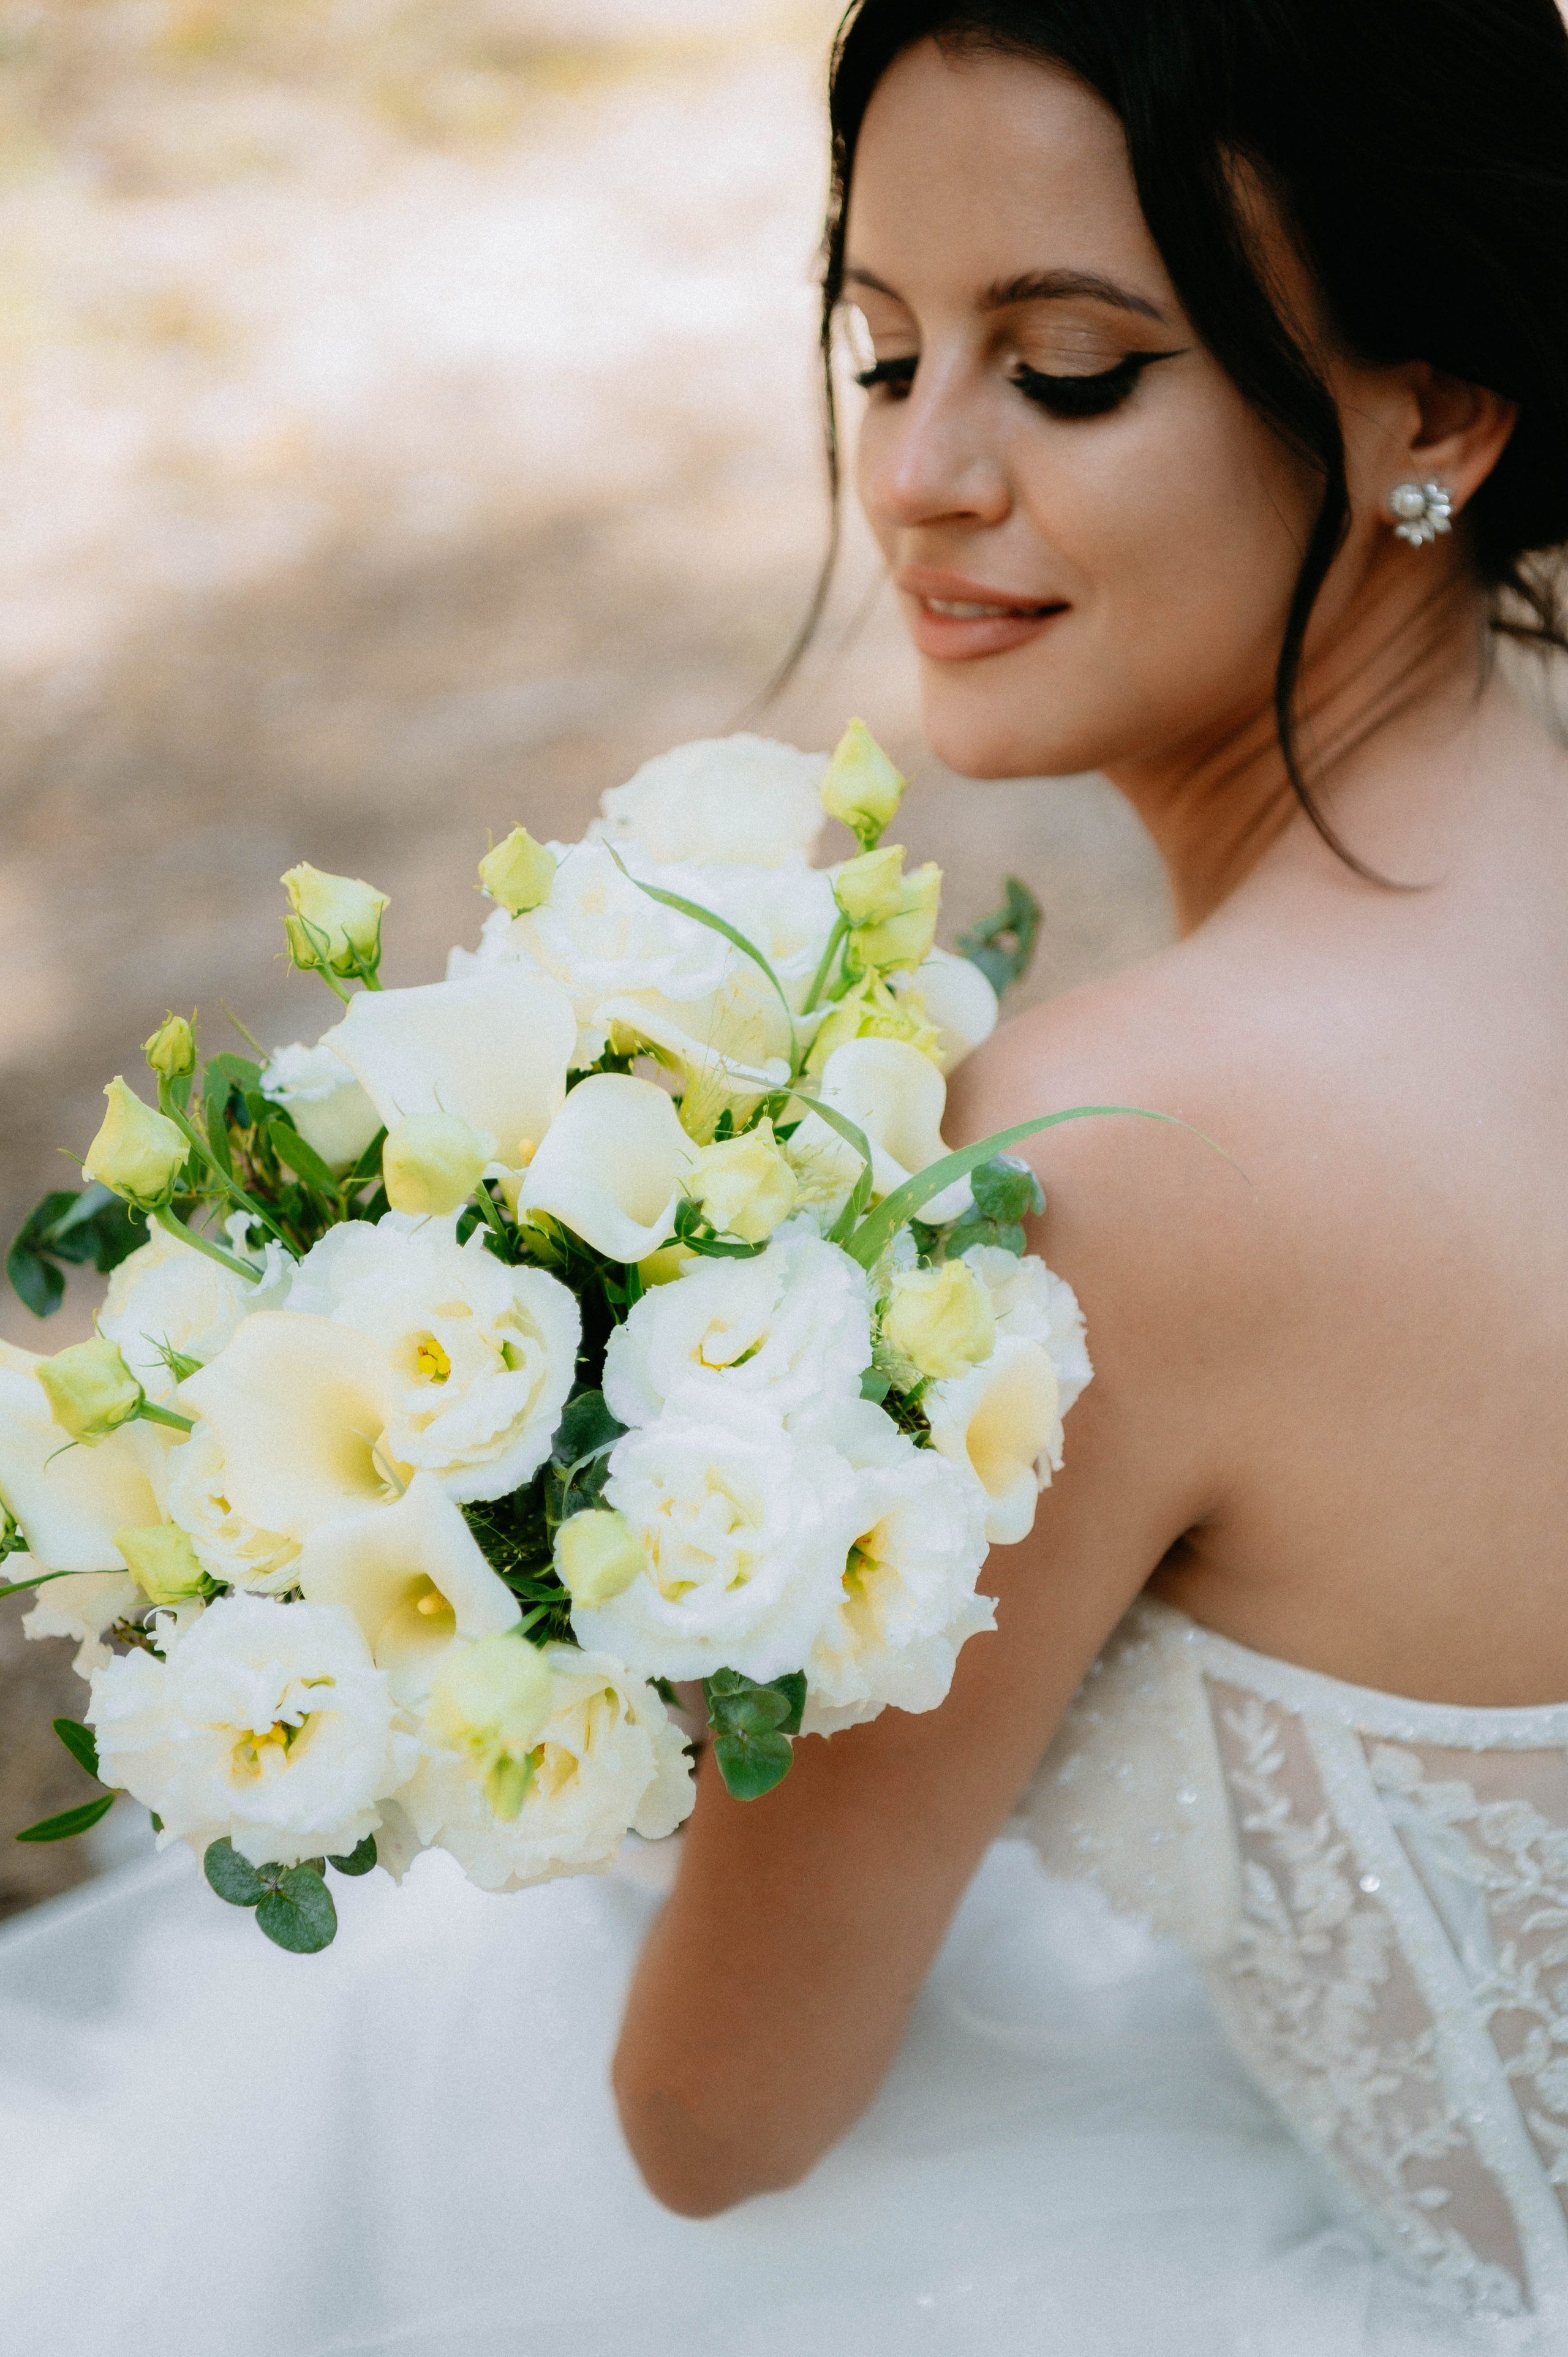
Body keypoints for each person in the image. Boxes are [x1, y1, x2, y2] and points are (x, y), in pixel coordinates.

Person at [4, 2, 1568, 2351]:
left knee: (422, 2056)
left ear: (1428, 411)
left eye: (1066, 373)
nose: (926, 470)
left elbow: (713, 2124)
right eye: (880, 343)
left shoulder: (1123, 1166)